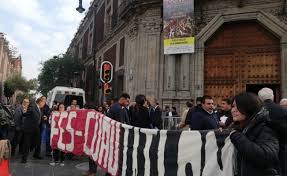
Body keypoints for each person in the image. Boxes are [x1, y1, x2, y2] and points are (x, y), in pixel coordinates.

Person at [230, 92, 280, 176]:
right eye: (232, 106)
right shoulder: (242, 127)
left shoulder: (265, 128)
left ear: (248, 107)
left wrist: (236, 136)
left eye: (236, 106)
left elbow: (266, 156)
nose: (233, 110)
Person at [258, 87, 287, 176]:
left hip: (261, 148)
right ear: (273, 97)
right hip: (281, 147)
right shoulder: (282, 110)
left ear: (259, 98)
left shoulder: (257, 111)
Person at [21, 96, 46, 163]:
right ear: (40, 102)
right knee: (27, 144)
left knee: (38, 141)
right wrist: (24, 111)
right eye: (44, 102)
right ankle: (24, 159)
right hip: (29, 129)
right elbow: (26, 113)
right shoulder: (32, 106)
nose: (44, 104)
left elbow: (39, 116)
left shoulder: (40, 109)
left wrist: (43, 117)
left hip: (36, 129)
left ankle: (35, 152)